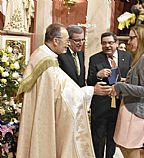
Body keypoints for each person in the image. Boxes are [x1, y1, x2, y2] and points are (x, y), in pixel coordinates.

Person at [16, 23, 112, 158]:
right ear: (56, 41)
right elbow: (66, 95)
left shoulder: (41, 55)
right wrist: (91, 91)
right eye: (67, 40)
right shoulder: (48, 65)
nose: (68, 44)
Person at [112, 25, 144, 158]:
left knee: (131, 151)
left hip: (135, 111)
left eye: (132, 38)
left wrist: (120, 86)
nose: (128, 42)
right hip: (130, 108)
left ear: (142, 38)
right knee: (124, 148)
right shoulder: (141, 58)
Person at [87, 32, 132, 158]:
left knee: (114, 135)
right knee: (98, 136)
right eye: (104, 43)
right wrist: (98, 75)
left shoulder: (127, 56)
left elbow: (132, 77)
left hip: (120, 103)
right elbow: (89, 82)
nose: (107, 45)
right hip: (101, 105)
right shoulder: (95, 58)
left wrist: (125, 81)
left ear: (117, 44)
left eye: (110, 43)